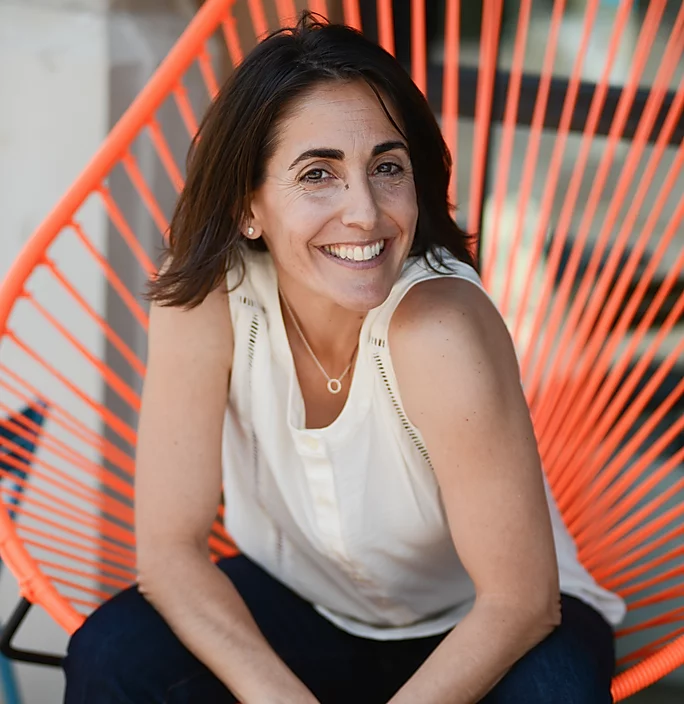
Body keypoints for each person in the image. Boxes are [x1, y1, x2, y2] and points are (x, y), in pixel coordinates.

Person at [63, 12, 625, 704]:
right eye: (318, 174)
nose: (365, 212)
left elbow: (521, 602)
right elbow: (169, 554)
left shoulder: (438, 325)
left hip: (489, 624)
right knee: (114, 654)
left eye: (387, 167)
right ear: (249, 207)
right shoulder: (208, 296)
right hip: (305, 607)